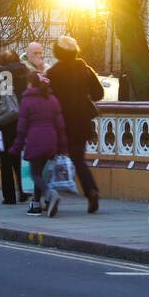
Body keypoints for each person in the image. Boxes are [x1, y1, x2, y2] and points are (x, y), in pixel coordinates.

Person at [46, 34, 104, 213]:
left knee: (53, 160)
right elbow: (98, 94)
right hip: (82, 122)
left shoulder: (53, 72)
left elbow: (47, 99)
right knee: (79, 160)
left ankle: (50, 200)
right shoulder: (84, 68)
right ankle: (91, 190)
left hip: (60, 122)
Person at [10, 72, 68, 217]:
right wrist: (62, 147)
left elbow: (22, 128)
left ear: (31, 83)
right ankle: (35, 205)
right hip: (51, 140)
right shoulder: (53, 99)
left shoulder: (27, 101)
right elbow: (60, 126)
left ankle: (50, 194)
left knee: (34, 173)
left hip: (35, 139)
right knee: (40, 173)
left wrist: (15, 148)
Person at [0, 46, 30, 204]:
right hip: (24, 119)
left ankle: (9, 195)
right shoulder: (26, 73)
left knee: (5, 159)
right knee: (21, 157)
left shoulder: (2, 75)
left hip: (6, 121)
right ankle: (24, 191)